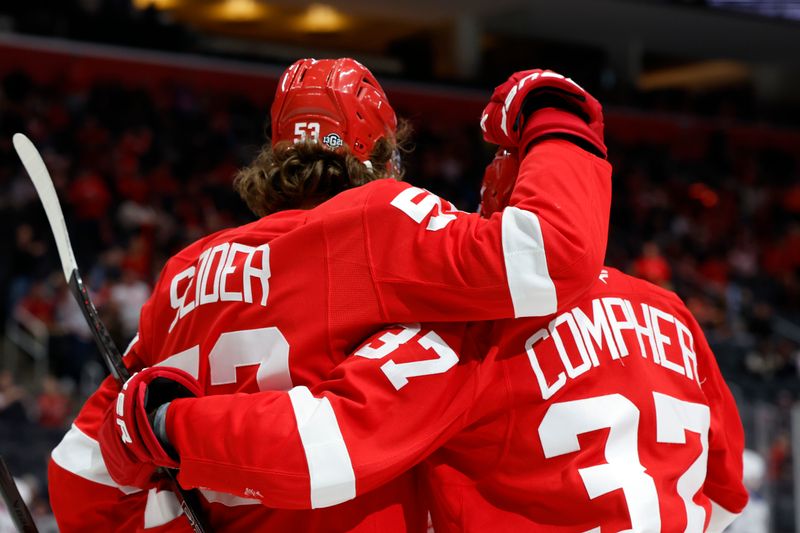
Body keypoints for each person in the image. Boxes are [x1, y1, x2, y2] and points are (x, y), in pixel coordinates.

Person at [48, 61, 611, 532]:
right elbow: (551, 250)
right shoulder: (380, 220)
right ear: (383, 155)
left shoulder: (184, 273)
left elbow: (79, 480)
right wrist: (557, 114)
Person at [101, 151, 748, 531]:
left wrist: (169, 422)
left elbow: (325, 443)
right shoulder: (673, 315)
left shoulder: (471, 328)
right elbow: (725, 494)